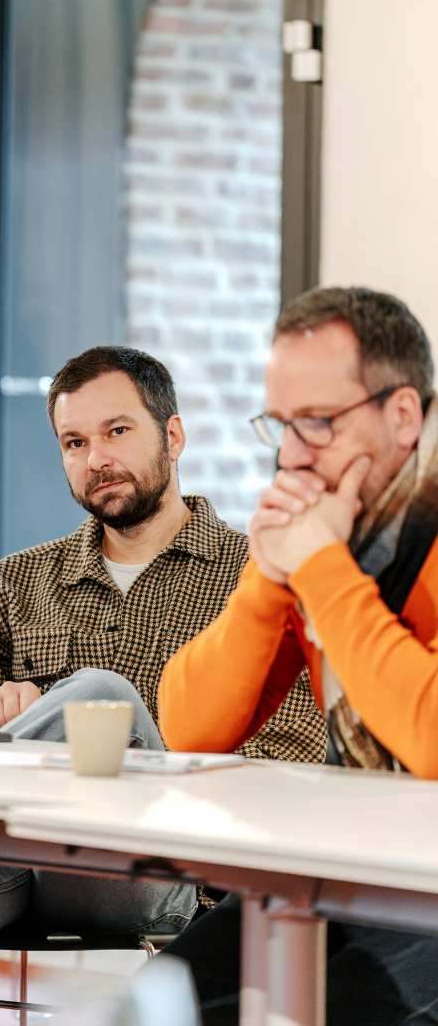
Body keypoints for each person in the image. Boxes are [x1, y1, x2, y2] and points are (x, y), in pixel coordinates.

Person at [0, 345, 325, 937]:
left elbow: (290, 764)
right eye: (75, 442)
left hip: (160, 869)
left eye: (117, 431)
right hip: (13, 862)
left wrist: (85, 734)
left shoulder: (258, 580)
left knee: (100, 699)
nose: (97, 459)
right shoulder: (14, 582)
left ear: (173, 436)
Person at [158, 286, 438, 1025]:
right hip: (353, 866)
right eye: (281, 424)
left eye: (317, 423)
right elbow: (190, 728)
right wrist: (271, 579)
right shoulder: (333, 523)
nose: (289, 455)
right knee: (157, 1001)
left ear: (403, 415)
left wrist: (318, 567)